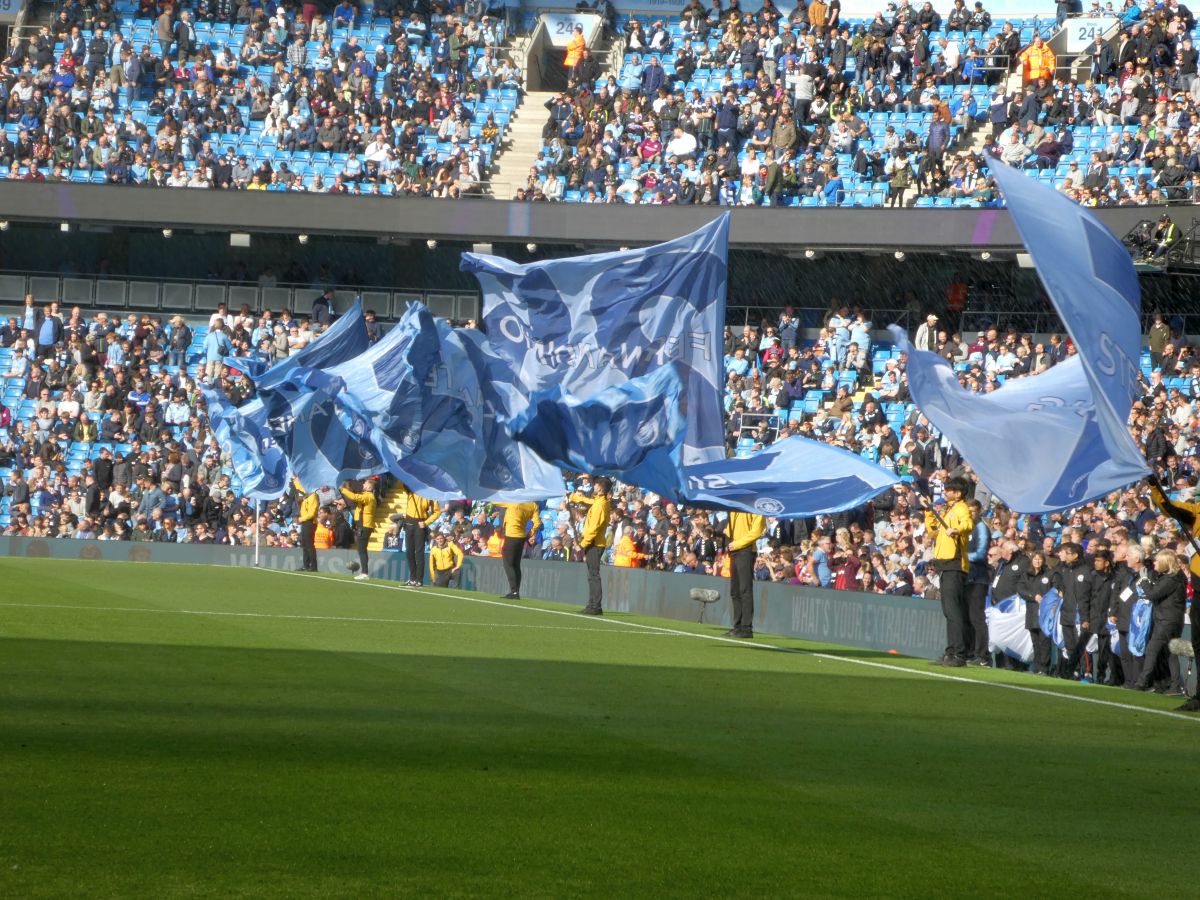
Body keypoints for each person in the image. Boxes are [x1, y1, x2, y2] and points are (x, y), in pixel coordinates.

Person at [922, 477, 973, 667]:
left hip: (955, 564)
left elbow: (968, 524)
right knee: (948, 611)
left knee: (954, 611)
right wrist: (929, 511)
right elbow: (933, 531)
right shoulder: (949, 509)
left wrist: (956, 530)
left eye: (949, 489)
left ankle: (959, 654)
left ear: (958, 493)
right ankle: (950, 652)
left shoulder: (961, 509)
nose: (945, 491)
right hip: (945, 565)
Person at [1134, 550, 1187, 694]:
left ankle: (1142, 682)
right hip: (1172, 619)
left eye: (1157, 561)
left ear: (1165, 562)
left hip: (1167, 620)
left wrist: (1144, 581)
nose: (1154, 563)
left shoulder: (1171, 578)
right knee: (1171, 652)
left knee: (1152, 649)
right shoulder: (1174, 577)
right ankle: (1175, 685)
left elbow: (1153, 594)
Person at [570, 476, 612, 615]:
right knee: (592, 575)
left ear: (600, 488)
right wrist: (575, 497)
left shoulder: (600, 505)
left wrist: (581, 545)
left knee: (594, 575)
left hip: (594, 543)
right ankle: (592, 604)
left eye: (596, 485)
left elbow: (593, 528)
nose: (594, 487)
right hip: (594, 542)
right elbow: (589, 501)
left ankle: (595, 605)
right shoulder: (600, 502)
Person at [726, 510, 766, 639]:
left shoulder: (755, 509)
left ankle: (746, 628)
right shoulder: (735, 508)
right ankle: (737, 626)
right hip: (734, 549)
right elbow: (730, 528)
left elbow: (757, 530)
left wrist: (737, 543)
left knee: (745, 589)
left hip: (746, 550)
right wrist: (728, 540)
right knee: (735, 590)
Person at [394, 483, 441, 587]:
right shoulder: (411, 488)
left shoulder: (431, 495)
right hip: (408, 525)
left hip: (420, 526)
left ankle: (419, 580)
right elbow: (401, 483)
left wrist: (426, 522)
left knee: (419, 553)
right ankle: (412, 578)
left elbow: (437, 512)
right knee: (409, 553)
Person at [494, 501, 541, 599]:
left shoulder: (513, 502)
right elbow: (537, 523)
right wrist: (530, 533)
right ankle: (516, 592)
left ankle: (514, 591)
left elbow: (496, 501)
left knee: (508, 564)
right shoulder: (533, 505)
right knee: (516, 564)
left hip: (511, 536)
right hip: (522, 537)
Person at [965, 498, 991, 666]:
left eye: (974, 511)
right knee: (967, 617)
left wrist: (961, 558)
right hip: (967, 577)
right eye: (969, 511)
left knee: (977, 618)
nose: (971, 514)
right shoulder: (968, 528)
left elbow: (981, 554)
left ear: (979, 511)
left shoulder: (981, 528)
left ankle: (982, 655)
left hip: (978, 579)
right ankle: (970, 651)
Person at [1018, 550, 1052, 675]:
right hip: (1032, 611)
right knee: (1035, 641)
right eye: (1035, 559)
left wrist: (1045, 599)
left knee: (1044, 641)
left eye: (1039, 559)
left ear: (1043, 561)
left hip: (1045, 612)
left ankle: (1044, 668)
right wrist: (1033, 596)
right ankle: (1037, 666)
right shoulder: (1027, 574)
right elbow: (1021, 589)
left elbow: (1054, 589)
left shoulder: (1048, 574)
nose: (1037, 561)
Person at [340, 478, 378, 581]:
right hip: (363, 525)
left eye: (365, 484)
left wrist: (343, 489)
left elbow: (355, 497)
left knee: (362, 550)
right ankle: (364, 572)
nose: (363, 485)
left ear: (370, 487)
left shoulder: (368, 496)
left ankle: (364, 573)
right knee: (361, 549)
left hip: (365, 526)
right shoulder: (367, 495)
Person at [294, 476, 320, 572]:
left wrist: (301, 519)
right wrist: (294, 479)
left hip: (310, 523)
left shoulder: (313, 496)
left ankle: (313, 566)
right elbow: (299, 487)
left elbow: (312, 513)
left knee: (309, 545)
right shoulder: (308, 495)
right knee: (305, 544)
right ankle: (306, 565)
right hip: (305, 522)